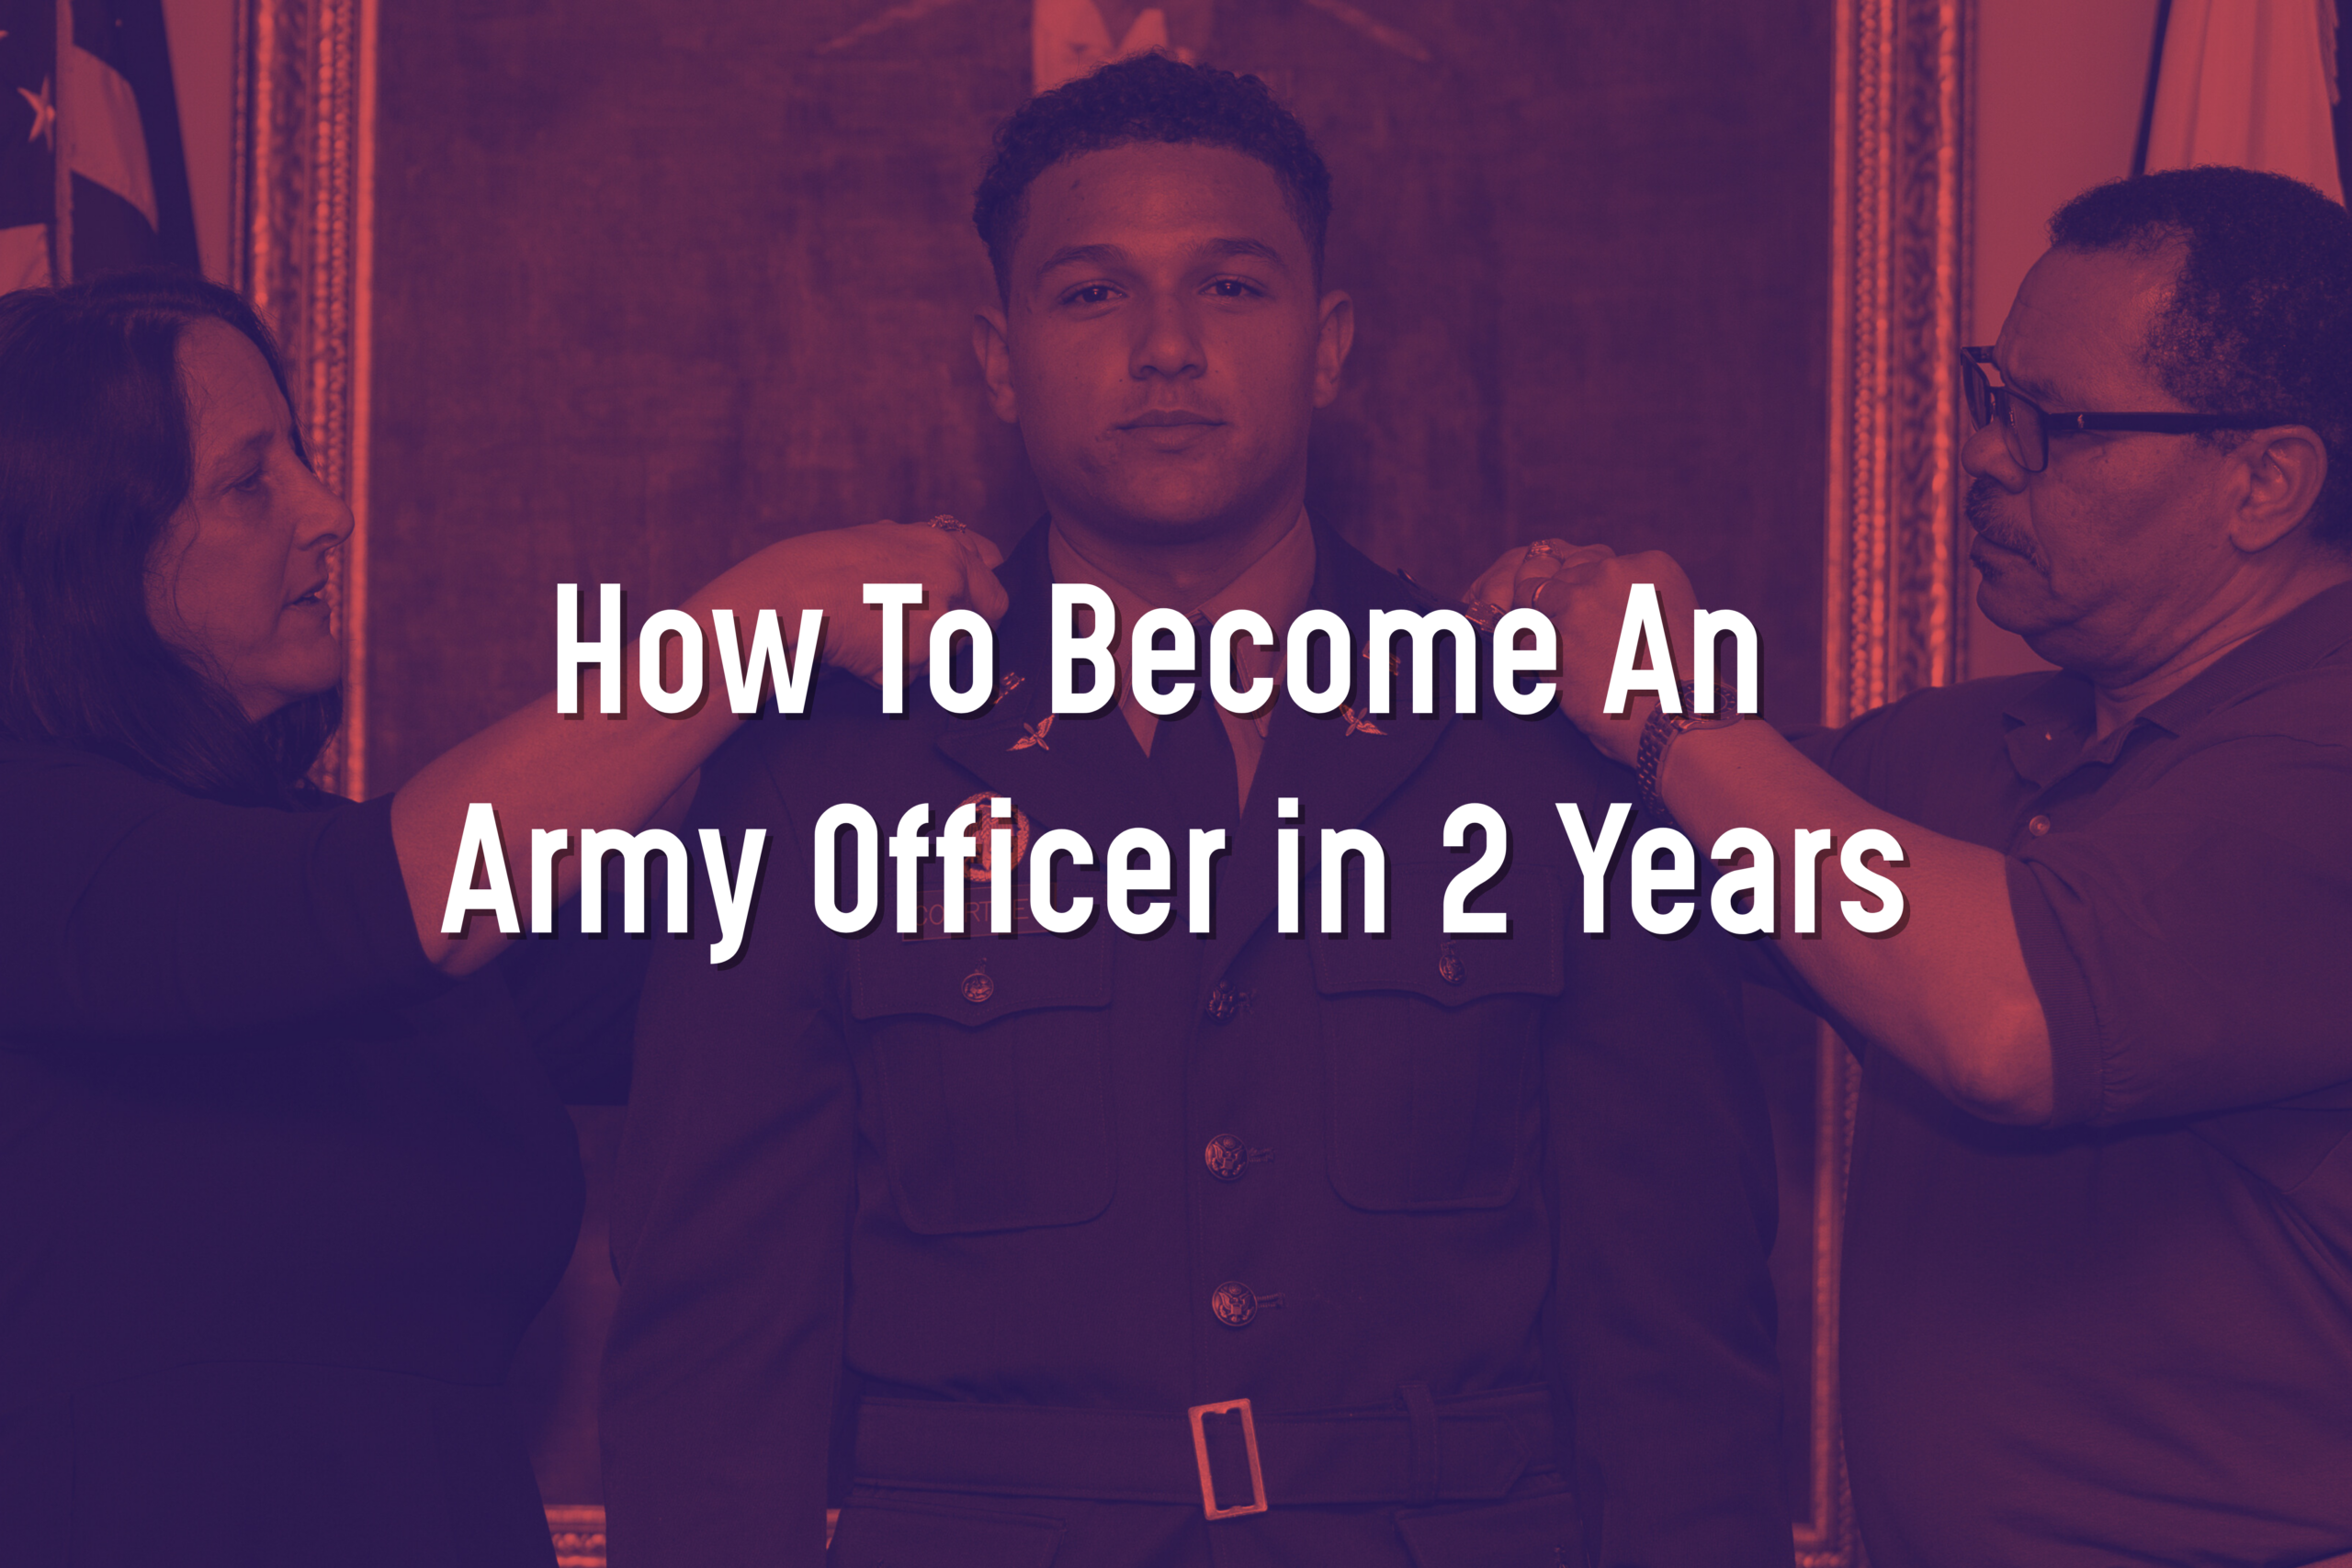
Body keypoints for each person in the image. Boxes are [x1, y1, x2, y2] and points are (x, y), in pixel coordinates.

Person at [601, 53, 1790, 1568]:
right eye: (1092, 294)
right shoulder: (831, 764)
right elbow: (715, 1362)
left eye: (1231, 288)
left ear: (1329, 345)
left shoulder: (1541, 746)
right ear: (998, 361)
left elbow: (1676, 1353)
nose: (1167, 348)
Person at [0, 270, 1000, 1567]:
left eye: (301, 460)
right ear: (89, 551)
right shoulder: (49, 843)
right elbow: (389, 898)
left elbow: (742, 934)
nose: (328, 511)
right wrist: (764, 615)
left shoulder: (340, 885)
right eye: (251, 482)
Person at [1477, 166, 2352, 1568]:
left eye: (2049, 423)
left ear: (2263, 482)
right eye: (1988, 392)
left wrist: (1662, 709)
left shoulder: (2324, 753)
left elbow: (2002, 1018)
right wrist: (1506, 654)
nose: (1985, 456)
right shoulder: (1979, 746)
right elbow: (1628, 850)